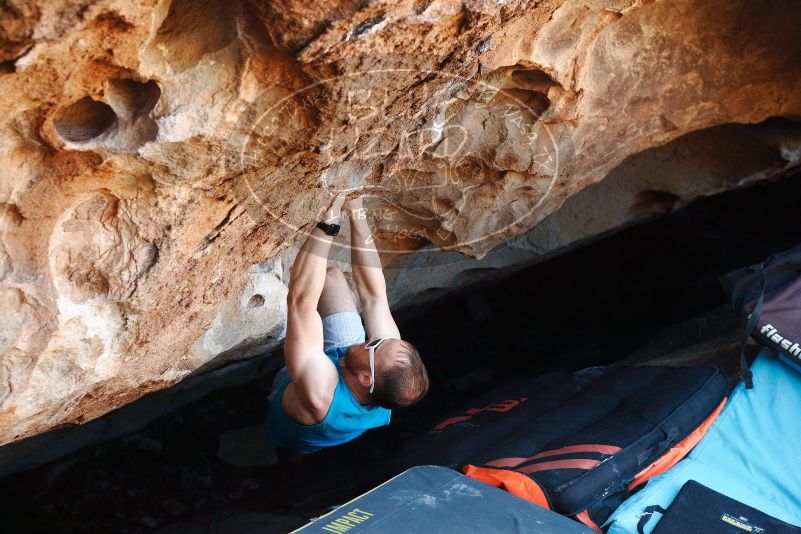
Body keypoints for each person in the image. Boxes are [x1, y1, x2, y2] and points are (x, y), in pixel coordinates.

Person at [265, 196, 429, 455]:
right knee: (331, 278)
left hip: (298, 401)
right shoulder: (384, 368)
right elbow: (374, 295)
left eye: (374, 343)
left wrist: (328, 223)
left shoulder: (321, 392)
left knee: (301, 319)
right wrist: (355, 210)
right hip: (341, 371)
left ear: (367, 379)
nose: (376, 337)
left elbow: (300, 301)